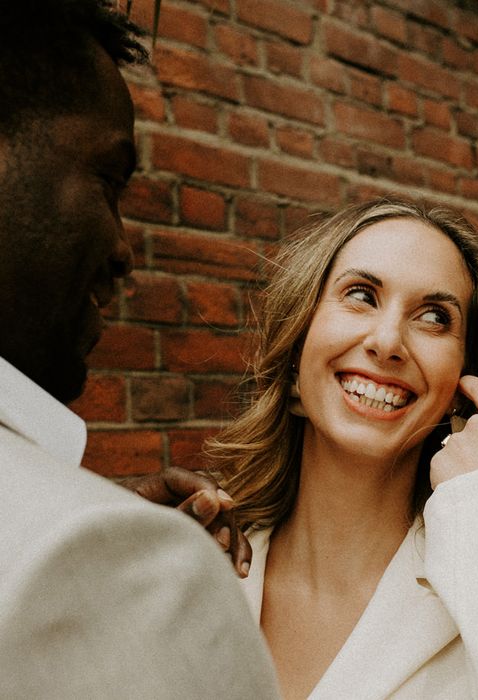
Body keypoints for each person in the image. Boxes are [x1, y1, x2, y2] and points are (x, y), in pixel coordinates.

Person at [207, 199, 478, 699]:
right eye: (361, 295)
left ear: (460, 384)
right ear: (298, 349)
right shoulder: (199, 565)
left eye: (433, 317)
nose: (387, 342)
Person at [0, 2, 278, 697]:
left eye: (435, 315)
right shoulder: (117, 567)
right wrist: (99, 556)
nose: (125, 250)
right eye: (109, 180)